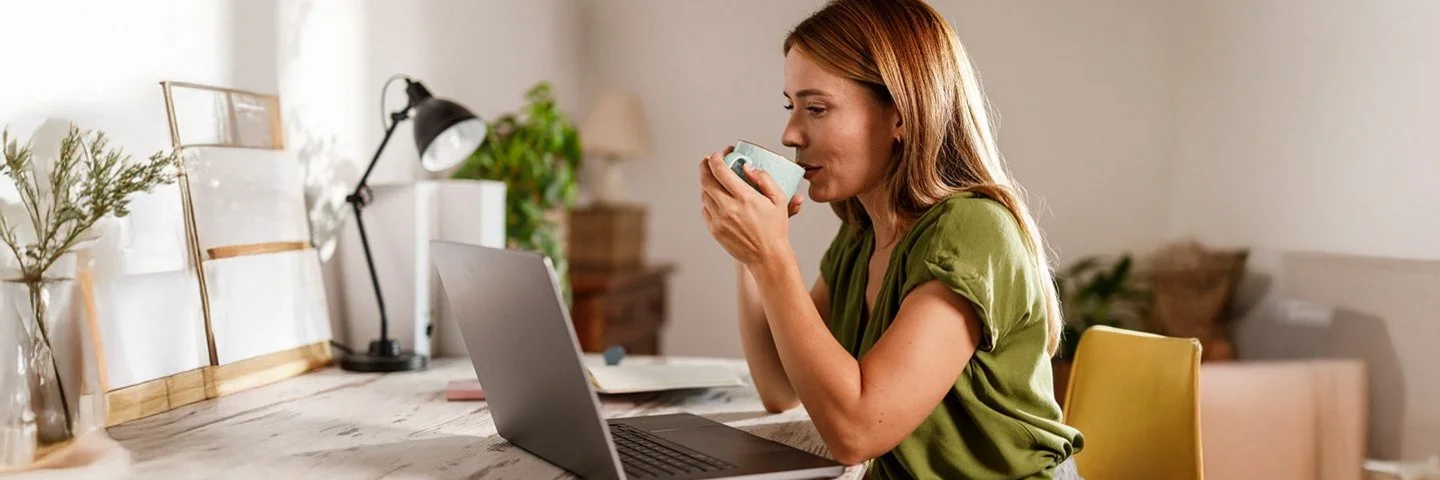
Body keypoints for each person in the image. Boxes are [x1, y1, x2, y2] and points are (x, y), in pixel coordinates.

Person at [696, 0, 1084, 478]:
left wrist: (771, 255)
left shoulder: (972, 230)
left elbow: (856, 433)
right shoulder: (861, 234)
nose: (791, 132)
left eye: (816, 108)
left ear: (900, 116)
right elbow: (781, 387)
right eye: (790, 105)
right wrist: (749, 255)